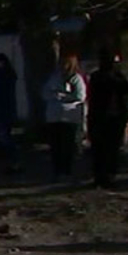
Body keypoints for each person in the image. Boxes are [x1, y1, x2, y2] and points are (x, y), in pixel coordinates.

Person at [85, 51, 128, 189]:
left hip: (115, 117)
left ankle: (109, 175)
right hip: (100, 116)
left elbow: (126, 90)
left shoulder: (117, 77)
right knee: (100, 148)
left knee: (112, 148)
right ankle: (100, 176)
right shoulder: (98, 76)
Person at [43, 52, 87, 180]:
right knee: (55, 145)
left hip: (69, 116)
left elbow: (80, 96)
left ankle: (66, 170)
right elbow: (44, 92)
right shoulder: (54, 77)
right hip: (54, 116)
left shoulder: (76, 78)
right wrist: (53, 95)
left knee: (67, 145)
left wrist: (64, 96)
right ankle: (57, 170)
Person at [0, 52, 20, 168]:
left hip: (4, 109)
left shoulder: (6, 74)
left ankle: (12, 158)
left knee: (5, 135)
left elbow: (6, 94)